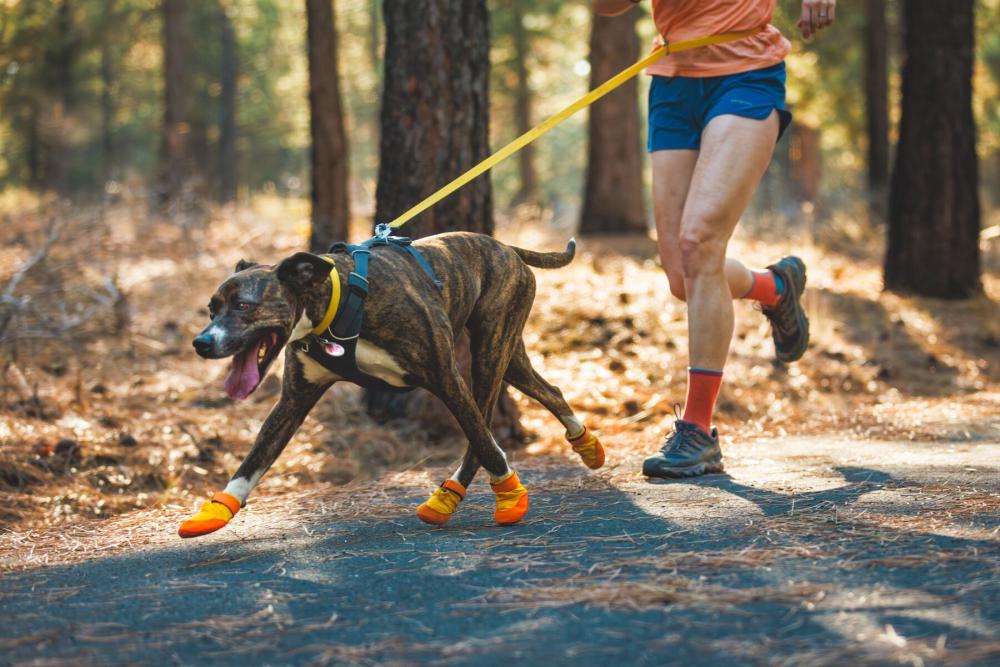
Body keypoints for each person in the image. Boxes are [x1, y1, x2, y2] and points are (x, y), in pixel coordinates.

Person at [591, 0, 835, 478]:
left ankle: (697, 431)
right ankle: (775, 288)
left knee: (699, 241)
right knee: (683, 275)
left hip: (745, 73)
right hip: (672, 80)